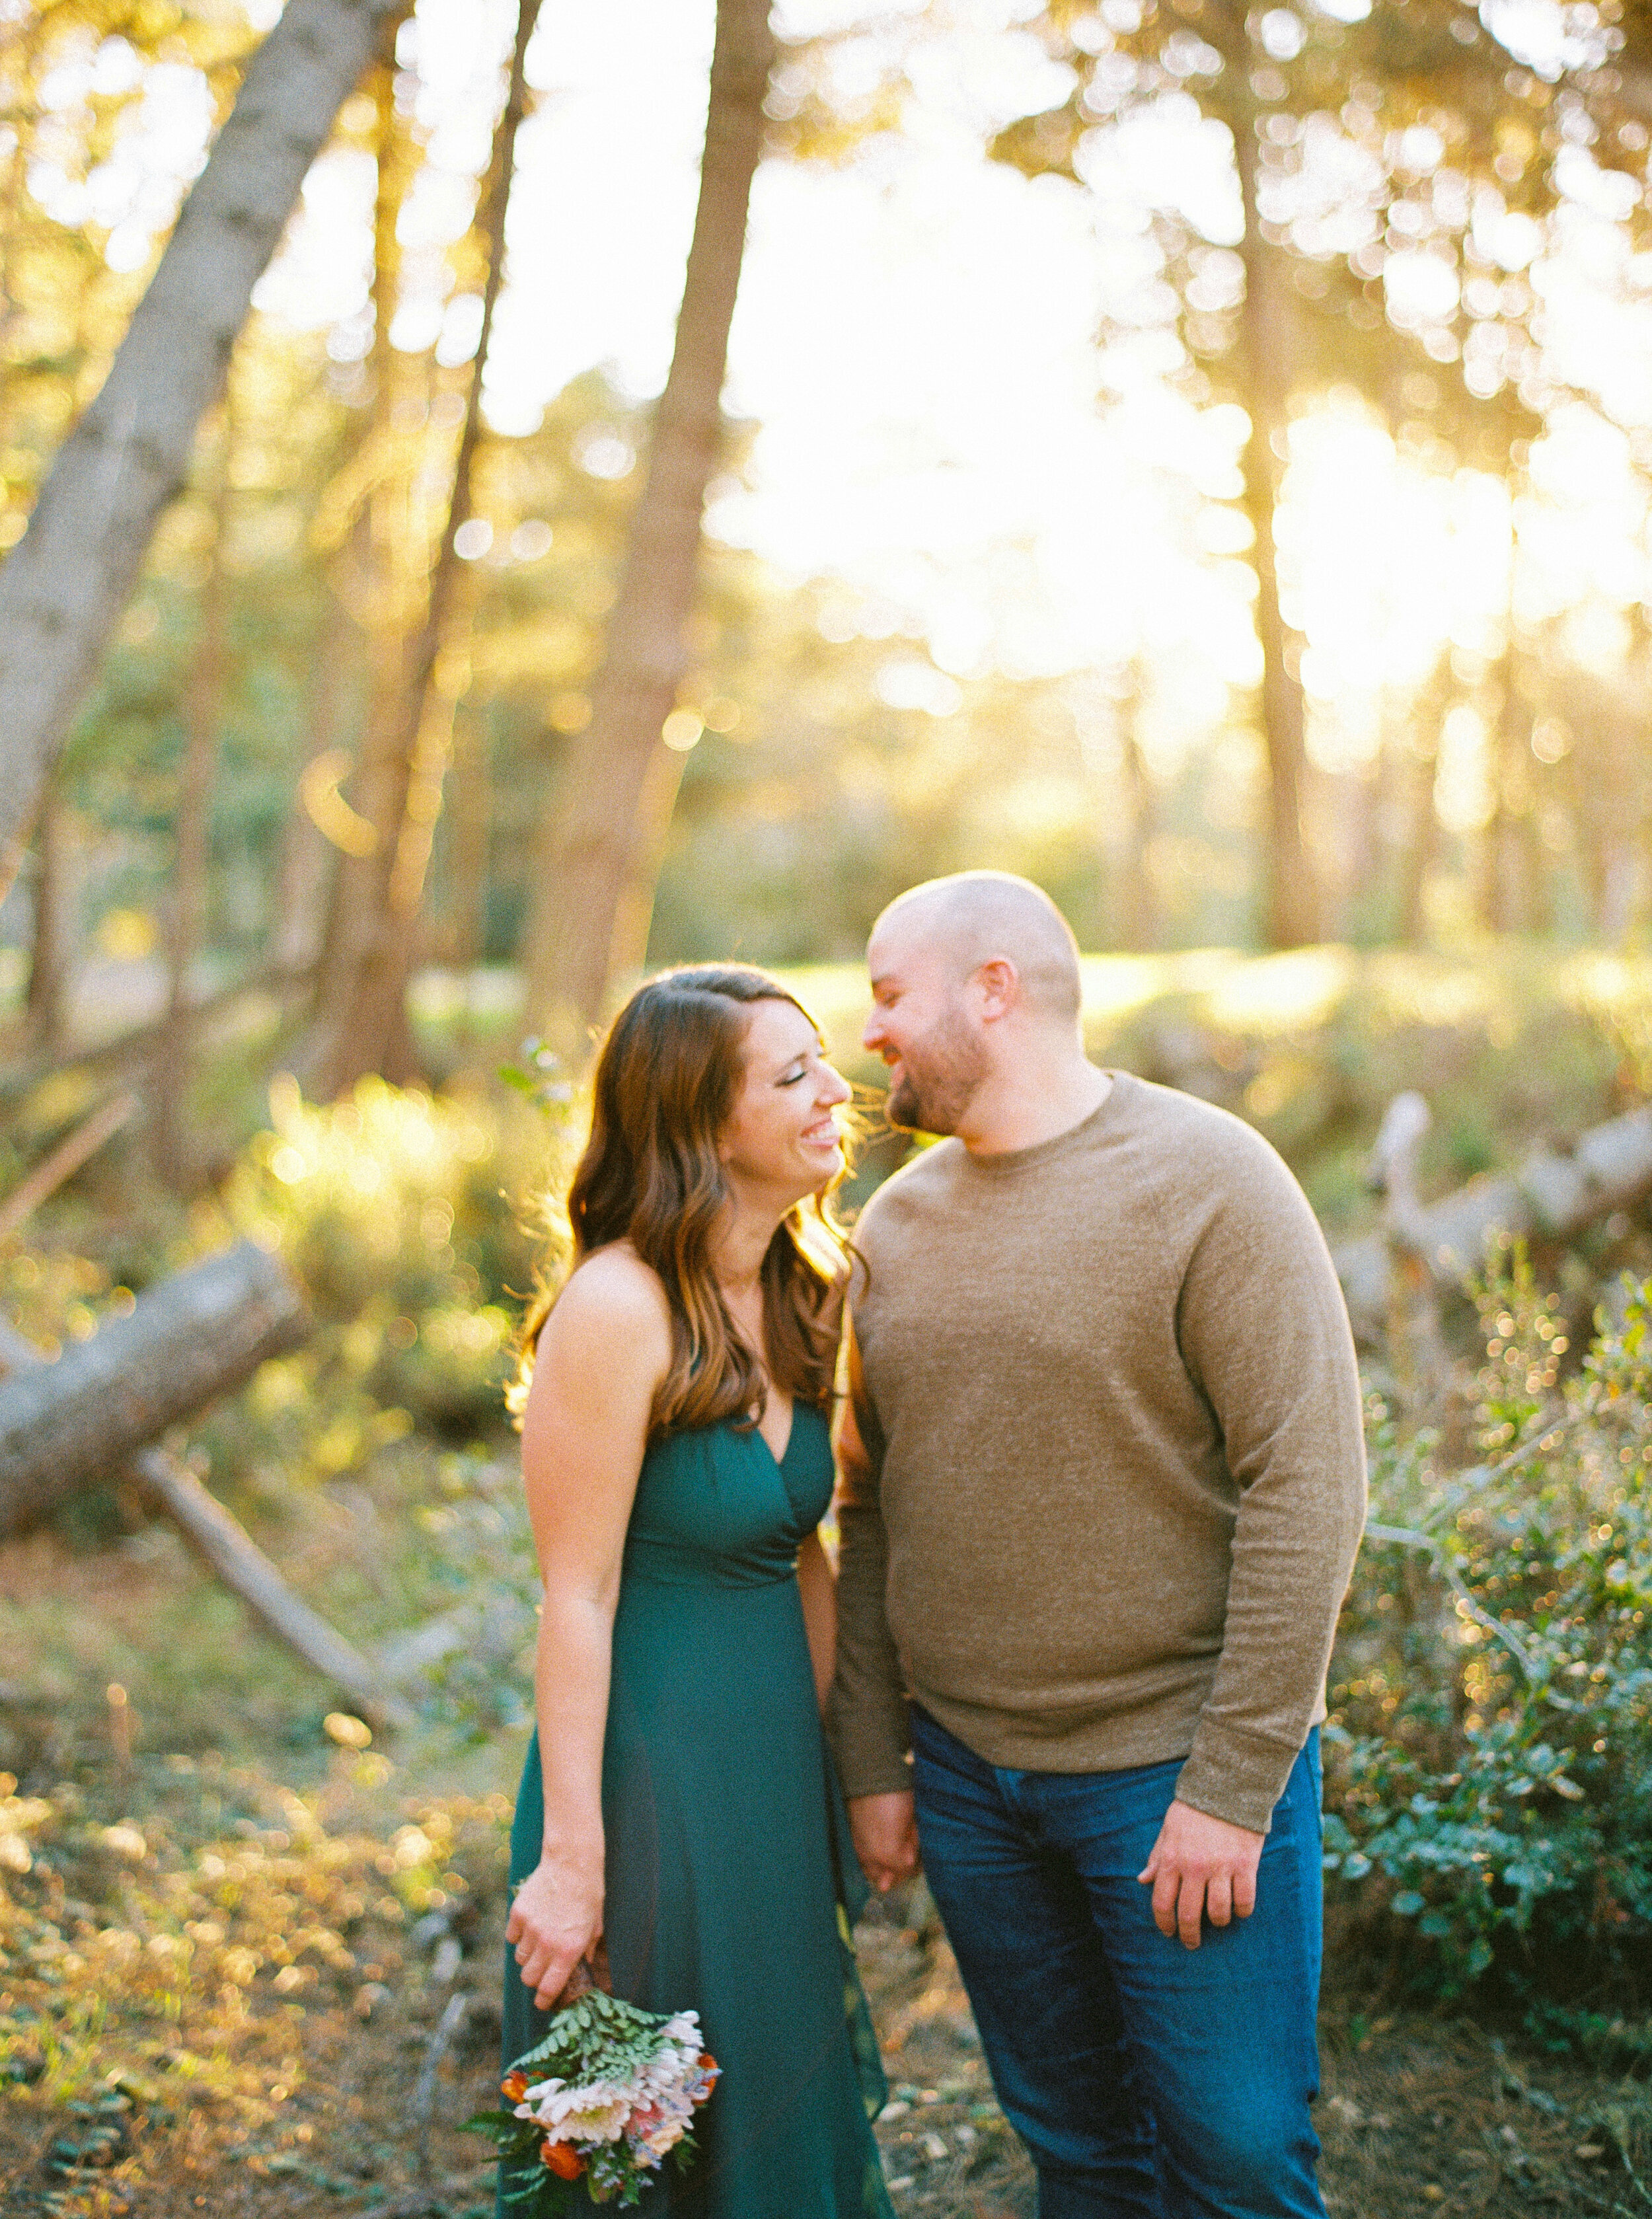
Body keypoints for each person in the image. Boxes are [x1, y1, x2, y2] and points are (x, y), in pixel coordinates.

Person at [830, 872, 1367, 2219]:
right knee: (1076, 2152)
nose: (871, 1028)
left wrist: (1234, 1783)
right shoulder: (893, 1224)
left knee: (1237, 2156)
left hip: (1170, 1777)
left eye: (891, 992)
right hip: (964, 1780)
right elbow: (872, 1501)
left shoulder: (1210, 1179)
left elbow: (1307, 1481)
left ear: (993, 988)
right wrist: (871, 1753)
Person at [501, 965, 893, 2218]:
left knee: (778, 2131)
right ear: (697, 1124)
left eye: (823, 1056)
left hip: (772, 1787)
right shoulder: (618, 1306)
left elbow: (803, 1549)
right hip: (645, 1792)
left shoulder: (802, 1291)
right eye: (793, 1075)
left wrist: (849, 1767)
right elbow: (577, 1595)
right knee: (623, 2157)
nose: (839, 1088)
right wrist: (575, 1862)